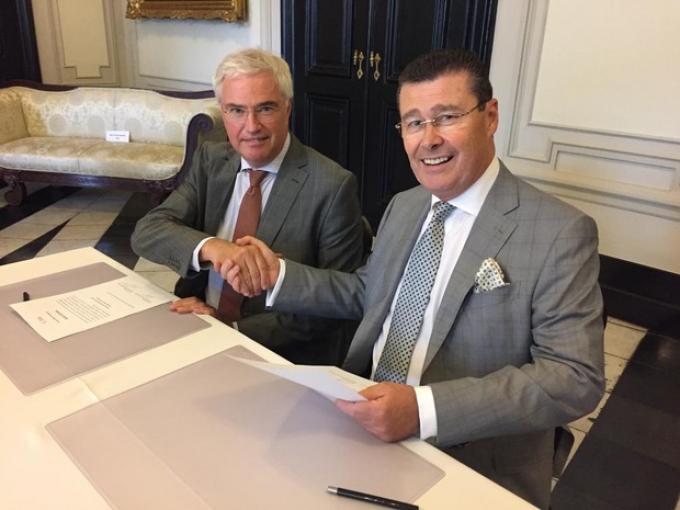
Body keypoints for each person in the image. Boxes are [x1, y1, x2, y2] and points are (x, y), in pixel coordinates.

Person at [223, 49, 605, 509]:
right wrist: (277, 275)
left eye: (447, 117)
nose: (429, 139)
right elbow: (369, 291)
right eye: (414, 122)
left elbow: (574, 378)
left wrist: (423, 411)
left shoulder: (559, 231)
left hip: (468, 456)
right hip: (362, 421)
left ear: (490, 117)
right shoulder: (405, 205)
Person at [131, 48, 365, 365]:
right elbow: (148, 231)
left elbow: (335, 306)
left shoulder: (332, 185)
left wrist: (230, 329)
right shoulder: (211, 161)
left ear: (287, 108)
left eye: (265, 108)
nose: (251, 126)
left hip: (279, 354)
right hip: (196, 321)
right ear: (222, 112)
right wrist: (214, 248)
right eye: (237, 110)